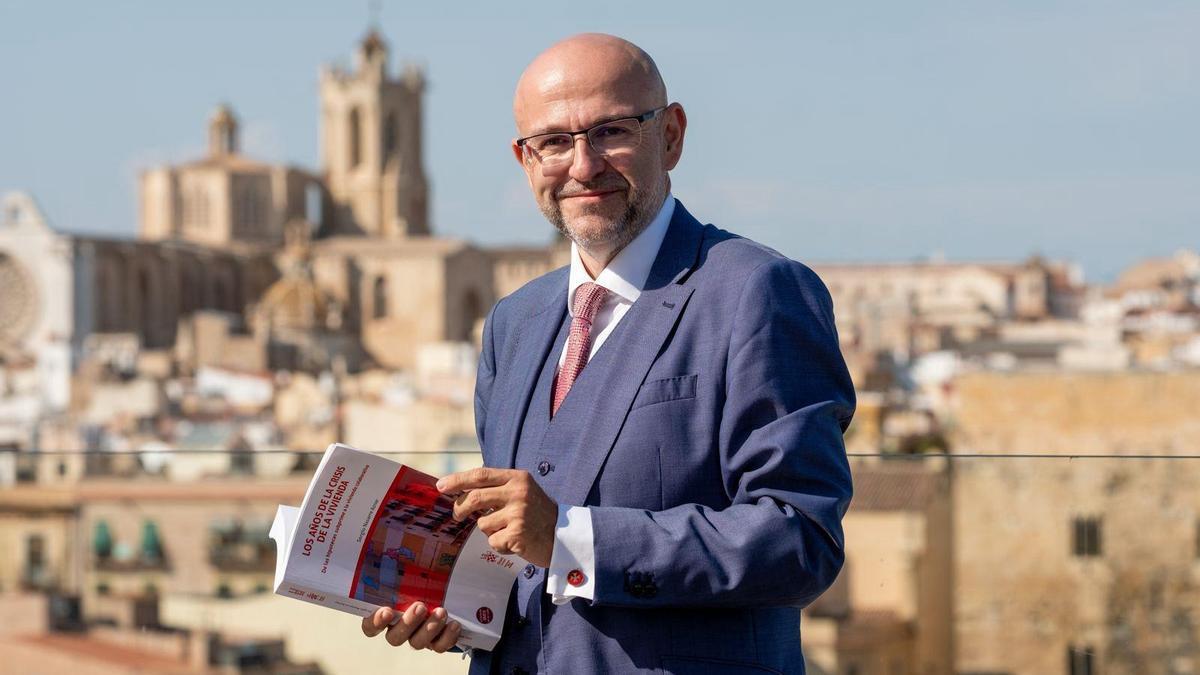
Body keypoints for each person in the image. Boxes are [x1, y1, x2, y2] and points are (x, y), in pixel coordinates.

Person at [361, 33, 855, 674]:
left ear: (672, 135)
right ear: (525, 159)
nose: (583, 165)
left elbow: (800, 539)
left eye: (612, 132)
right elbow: (523, 567)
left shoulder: (756, 292)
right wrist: (452, 607)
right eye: (554, 142)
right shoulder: (515, 322)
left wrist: (570, 538)